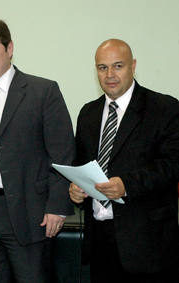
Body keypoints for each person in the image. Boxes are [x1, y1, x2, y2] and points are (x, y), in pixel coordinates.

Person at [0, 18, 75, 283]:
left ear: (10, 49)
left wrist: (58, 206)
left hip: (29, 214)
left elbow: (63, 153)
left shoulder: (43, 91)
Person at [69, 39, 179, 282]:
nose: (110, 75)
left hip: (147, 244)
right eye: (102, 67)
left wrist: (127, 185)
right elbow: (81, 162)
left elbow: (172, 164)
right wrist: (76, 188)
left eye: (118, 66)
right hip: (99, 240)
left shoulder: (164, 108)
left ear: (133, 66)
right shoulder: (88, 112)